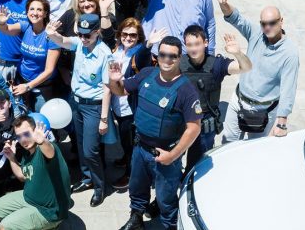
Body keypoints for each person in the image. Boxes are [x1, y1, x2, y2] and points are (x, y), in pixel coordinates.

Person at [108, 36, 203, 230]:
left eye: (172, 56)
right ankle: (136, 220)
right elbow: (120, 91)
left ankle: (169, 226)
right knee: (136, 188)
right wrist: (114, 80)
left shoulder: (186, 90)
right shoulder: (147, 74)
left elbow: (194, 128)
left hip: (165, 155)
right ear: (157, 56)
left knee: (165, 198)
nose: (167, 59)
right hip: (140, 148)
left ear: (180, 58)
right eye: (163, 54)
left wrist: (173, 156)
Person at [45, 13, 115, 208]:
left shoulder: (104, 54)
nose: (83, 39)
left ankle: (100, 187)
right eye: (81, 34)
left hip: (94, 106)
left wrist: (104, 118)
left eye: (87, 35)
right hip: (77, 103)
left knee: (91, 150)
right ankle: (87, 178)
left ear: (97, 32)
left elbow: (107, 88)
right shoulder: (79, 44)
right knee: (81, 144)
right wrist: (51, 33)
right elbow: (63, 41)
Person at [217, 0, 300, 142]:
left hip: (264, 110)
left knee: (255, 148)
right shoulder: (257, 33)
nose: (267, 27)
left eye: (272, 23)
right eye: (264, 23)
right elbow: (236, 18)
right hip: (239, 101)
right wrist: (224, 4)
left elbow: (288, 88)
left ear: (281, 21)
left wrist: (281, 123)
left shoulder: (290, 53)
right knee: (227, 143)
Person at [175, 26, 251, 165]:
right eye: (189, 45)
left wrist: (238, 53)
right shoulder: (179, 63)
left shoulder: (216, 64)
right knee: (173, 162)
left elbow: (246, 68)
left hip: (204, 128)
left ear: (206, 43)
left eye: (197, 44)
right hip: (181, 122)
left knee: (199, 165)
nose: (193, 49)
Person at [0, 115, 73, 230]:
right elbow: (22, 176)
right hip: (29, 198)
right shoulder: (27, 154)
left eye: (26, 134)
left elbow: (50, 152)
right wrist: (11, 158)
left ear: (35, 131)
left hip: (49, 211)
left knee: (6, 226)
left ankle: (52, 226)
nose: (23, 139)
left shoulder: (47, 150)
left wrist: (42, 142)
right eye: (19, 136)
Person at [107, 18, 154, 191]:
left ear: (139, 37)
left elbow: (143, 56)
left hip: (130, 107)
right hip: (116, 104)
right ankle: (127, 160)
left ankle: (130, 173)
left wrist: (148, 44)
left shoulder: (139, 53)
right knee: (124, 137)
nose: (128, 38)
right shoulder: (116, 49)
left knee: (131, 142)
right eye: (125, 34)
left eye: (133, 35)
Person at [0, 0, 59, 112]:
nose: (35, 13)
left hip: (42, 86)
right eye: (32, 9)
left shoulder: (51, 35)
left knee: (40, 117)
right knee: (22, 115)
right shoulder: (25, 26)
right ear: (27, 12)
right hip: (21, 81)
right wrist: (1, 22)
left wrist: (28, 86)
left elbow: (49, 70)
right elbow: (6, 29)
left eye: (39, 10)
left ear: (45, 14)